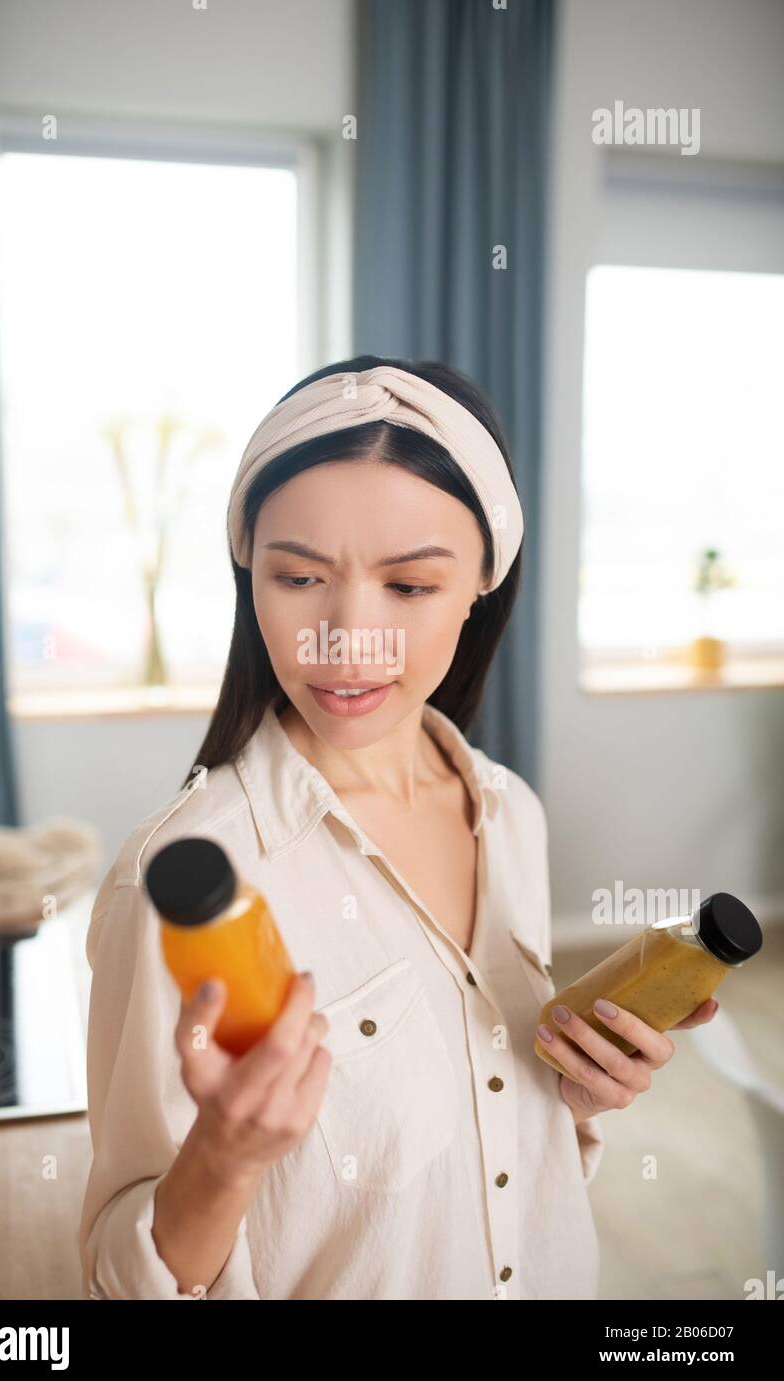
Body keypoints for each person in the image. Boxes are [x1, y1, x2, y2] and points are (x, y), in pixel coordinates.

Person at [78, 355, 717, 1300]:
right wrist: (222, 1159)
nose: (348, 637)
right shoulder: (182, 880)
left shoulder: (509, 815)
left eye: (410, 588)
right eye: (298, 578)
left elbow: (492, 1165)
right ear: (251, 575)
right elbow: (108, 1278)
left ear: (480, 588)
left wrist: (571, 1101)